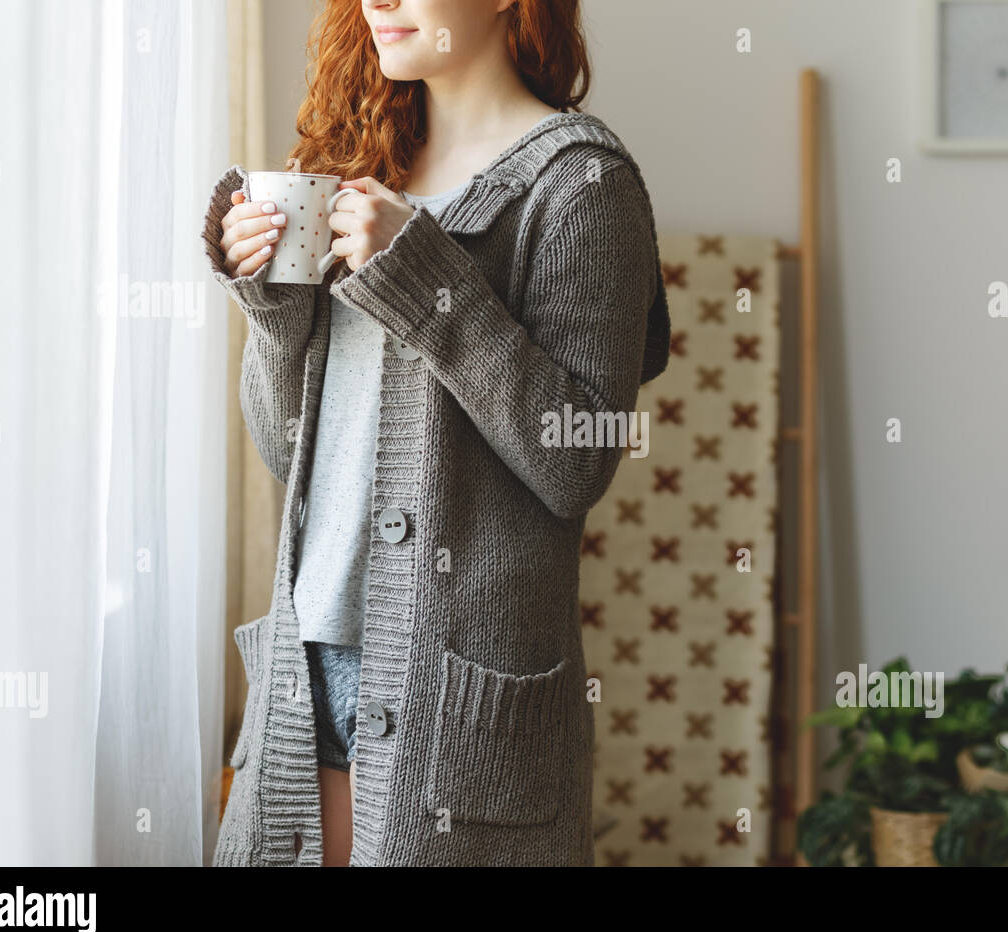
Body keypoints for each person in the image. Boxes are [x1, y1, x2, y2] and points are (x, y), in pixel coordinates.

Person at [202, 0, 671, 866]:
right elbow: (286, 453)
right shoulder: (351, 171)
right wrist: (271, 315)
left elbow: (576, 463)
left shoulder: (582, 185)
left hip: (457, 704)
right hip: (305, 670)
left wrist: (427, 282)